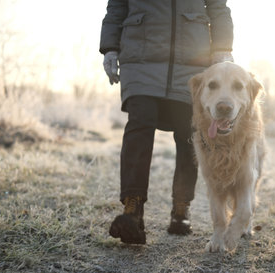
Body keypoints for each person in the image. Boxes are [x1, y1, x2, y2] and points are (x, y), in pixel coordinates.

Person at [99, 0, 234, 244]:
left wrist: (223, 47)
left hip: (192, 61)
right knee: (139, 125)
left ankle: (181, 208)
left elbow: (218, 6)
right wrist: (109, 47)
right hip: (141, 57)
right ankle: (132, 209)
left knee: (189, 133)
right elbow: (117, 5)